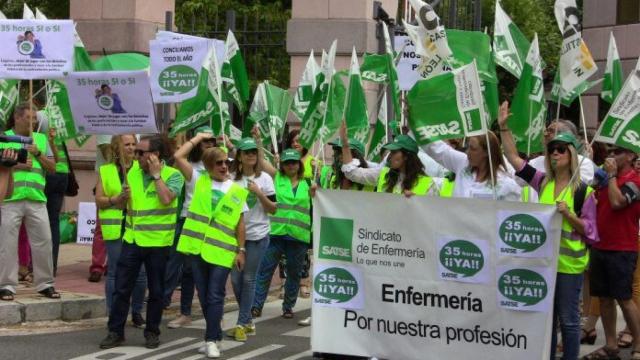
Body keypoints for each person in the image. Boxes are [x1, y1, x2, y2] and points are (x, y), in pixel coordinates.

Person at [498, 101, 598, 360]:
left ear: (571, 155)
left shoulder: (582, 191)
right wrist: (504, 128)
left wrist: (569, 215)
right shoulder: (542, 182)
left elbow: (591, 231)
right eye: (552, 149)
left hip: (568, 266)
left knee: (569, 321)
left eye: (561, 150)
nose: (554, 153)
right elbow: (514, 159)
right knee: (548, 321)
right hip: (542, 263)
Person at [99, 135, 184, 349]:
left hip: (158, 243)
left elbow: (166, 199)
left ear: (154, 155)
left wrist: (157, 177)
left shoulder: (173, 175)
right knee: (121, 288)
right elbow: (122, 207)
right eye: (134, 151)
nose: (135, 156)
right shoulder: (131, 174)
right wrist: (119, 199)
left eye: (140, 152)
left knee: (156, 291)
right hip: (132, 239)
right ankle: (115, 331)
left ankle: (152, 332)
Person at [176, 147, 249, 358]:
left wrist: (241, 250)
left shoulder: (236, 190)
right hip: (197, 249)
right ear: (208, 165)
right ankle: (216, 336)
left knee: (215, 294)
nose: (224, 166)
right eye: (219, 163)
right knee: (204, 295)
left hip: (223, 251)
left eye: (226, 162)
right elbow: (179, 156)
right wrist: (198, 139)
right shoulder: (198, 181)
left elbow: (240, 224)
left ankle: (210, 340)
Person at [582, 145, 640, 360]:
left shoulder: (635, 180)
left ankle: (638, 345)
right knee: (604, 299)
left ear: (632, 155)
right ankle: (611, 345)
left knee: (624, 299)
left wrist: (613, 176)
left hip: (623, 248)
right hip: (600, 245)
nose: (612, 156)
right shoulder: (605, 178)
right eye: (611, 152)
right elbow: (588, 198)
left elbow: (617, 203)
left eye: (619, 152)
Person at [0, 103, 58, 301]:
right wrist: (16, 165)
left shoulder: (40, 139)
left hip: (36, 198)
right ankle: (7, 285)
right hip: (10, 198)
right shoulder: (4, 137)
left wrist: (38, 153)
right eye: (29, 118)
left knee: (44, 241)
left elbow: (52, 167)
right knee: (7, 243)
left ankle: (45, 284)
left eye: (35, 118)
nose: (34, 121)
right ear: (17, 117)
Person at [252, 148, 316, 319]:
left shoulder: (309, 184)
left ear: (299, 164)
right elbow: (261, 160)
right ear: (282, 165)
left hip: (298, 236)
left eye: (294, 162)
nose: (291, 166)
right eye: (287, 163)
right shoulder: (276, 177)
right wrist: (258, 141)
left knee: (294, 274)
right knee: (265, 270)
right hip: (275, 234)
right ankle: (256, 306)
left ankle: (288, 307)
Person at [165, 126, 217, 329]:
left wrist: (229, 145)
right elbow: (178, 156)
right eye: (206, 141)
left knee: (211, 269)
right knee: (186, 269)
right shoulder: (192, 167)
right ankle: (184, 312)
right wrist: (197, 137)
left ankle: (214, 313)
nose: (209, 144)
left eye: (212, 141)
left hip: (213, 223)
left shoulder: (223, 165)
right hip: (189, 221)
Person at [226, 137, 276, 342]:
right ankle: (247, 322)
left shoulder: (265, 179)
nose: (251, 155)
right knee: (236, 281)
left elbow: (273, 208)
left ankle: (241, 322)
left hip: (258, 236)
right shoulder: (231, 179)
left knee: (248, 279)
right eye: (246, 152)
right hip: (236, 237)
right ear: (239, 156)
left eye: (254, 152)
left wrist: (259, 193)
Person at [95, 135, 147, 328]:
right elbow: (99, 199)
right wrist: (116, 199)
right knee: (115, 272)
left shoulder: (141, 170)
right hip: (115, 228)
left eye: (134, 144)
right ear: (117, 148)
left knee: (141, 273)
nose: (132, 148)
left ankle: (137, 312)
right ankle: (113, 312)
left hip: (137, 227)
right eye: (127, 145)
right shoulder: (106, 170)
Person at [418, 127, 521, 201]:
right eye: (468, 147)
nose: (468, 152)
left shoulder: (507, 186)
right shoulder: (462, 163)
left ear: (486, 153)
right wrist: (413, 123)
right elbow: (436, 148)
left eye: (473, 149)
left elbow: (510, 219)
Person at [340, 124, 439, 196]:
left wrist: (416, 201)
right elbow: (352, 173)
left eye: (394, 152)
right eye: (391, 152)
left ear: (406, 156)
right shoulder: (383, 174)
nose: (390, 156)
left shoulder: (428, 183)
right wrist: (345, 145)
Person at [89, 135, 113, 283]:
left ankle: (113, 263)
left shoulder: (135, 123)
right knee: (101, 229)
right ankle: (97, 266)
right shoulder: (106, 123)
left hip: (129, 177)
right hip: (108, 177)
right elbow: (106, 150)